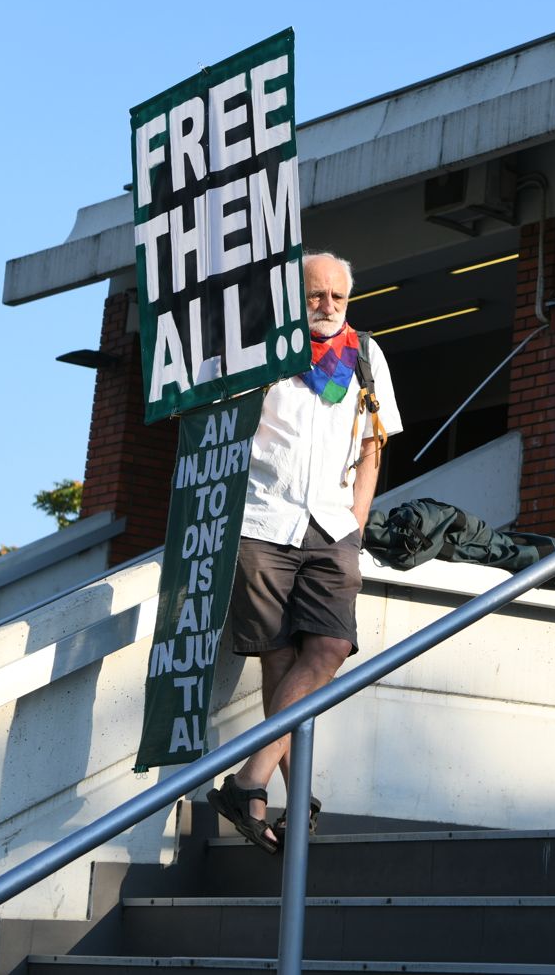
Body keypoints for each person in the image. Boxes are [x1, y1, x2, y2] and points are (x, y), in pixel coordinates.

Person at [209, 250, 402, 852]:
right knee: (279, 661)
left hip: (332, 525)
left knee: (331, 645)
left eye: (336, 298)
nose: (326, 307)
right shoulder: (261, 351)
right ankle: (284, 800)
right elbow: (223, 429)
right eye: (314, 296)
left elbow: (373, 445)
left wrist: (358, 523)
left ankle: (248, 778)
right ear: (294, 299)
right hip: (264, 520)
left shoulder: (365, 356)